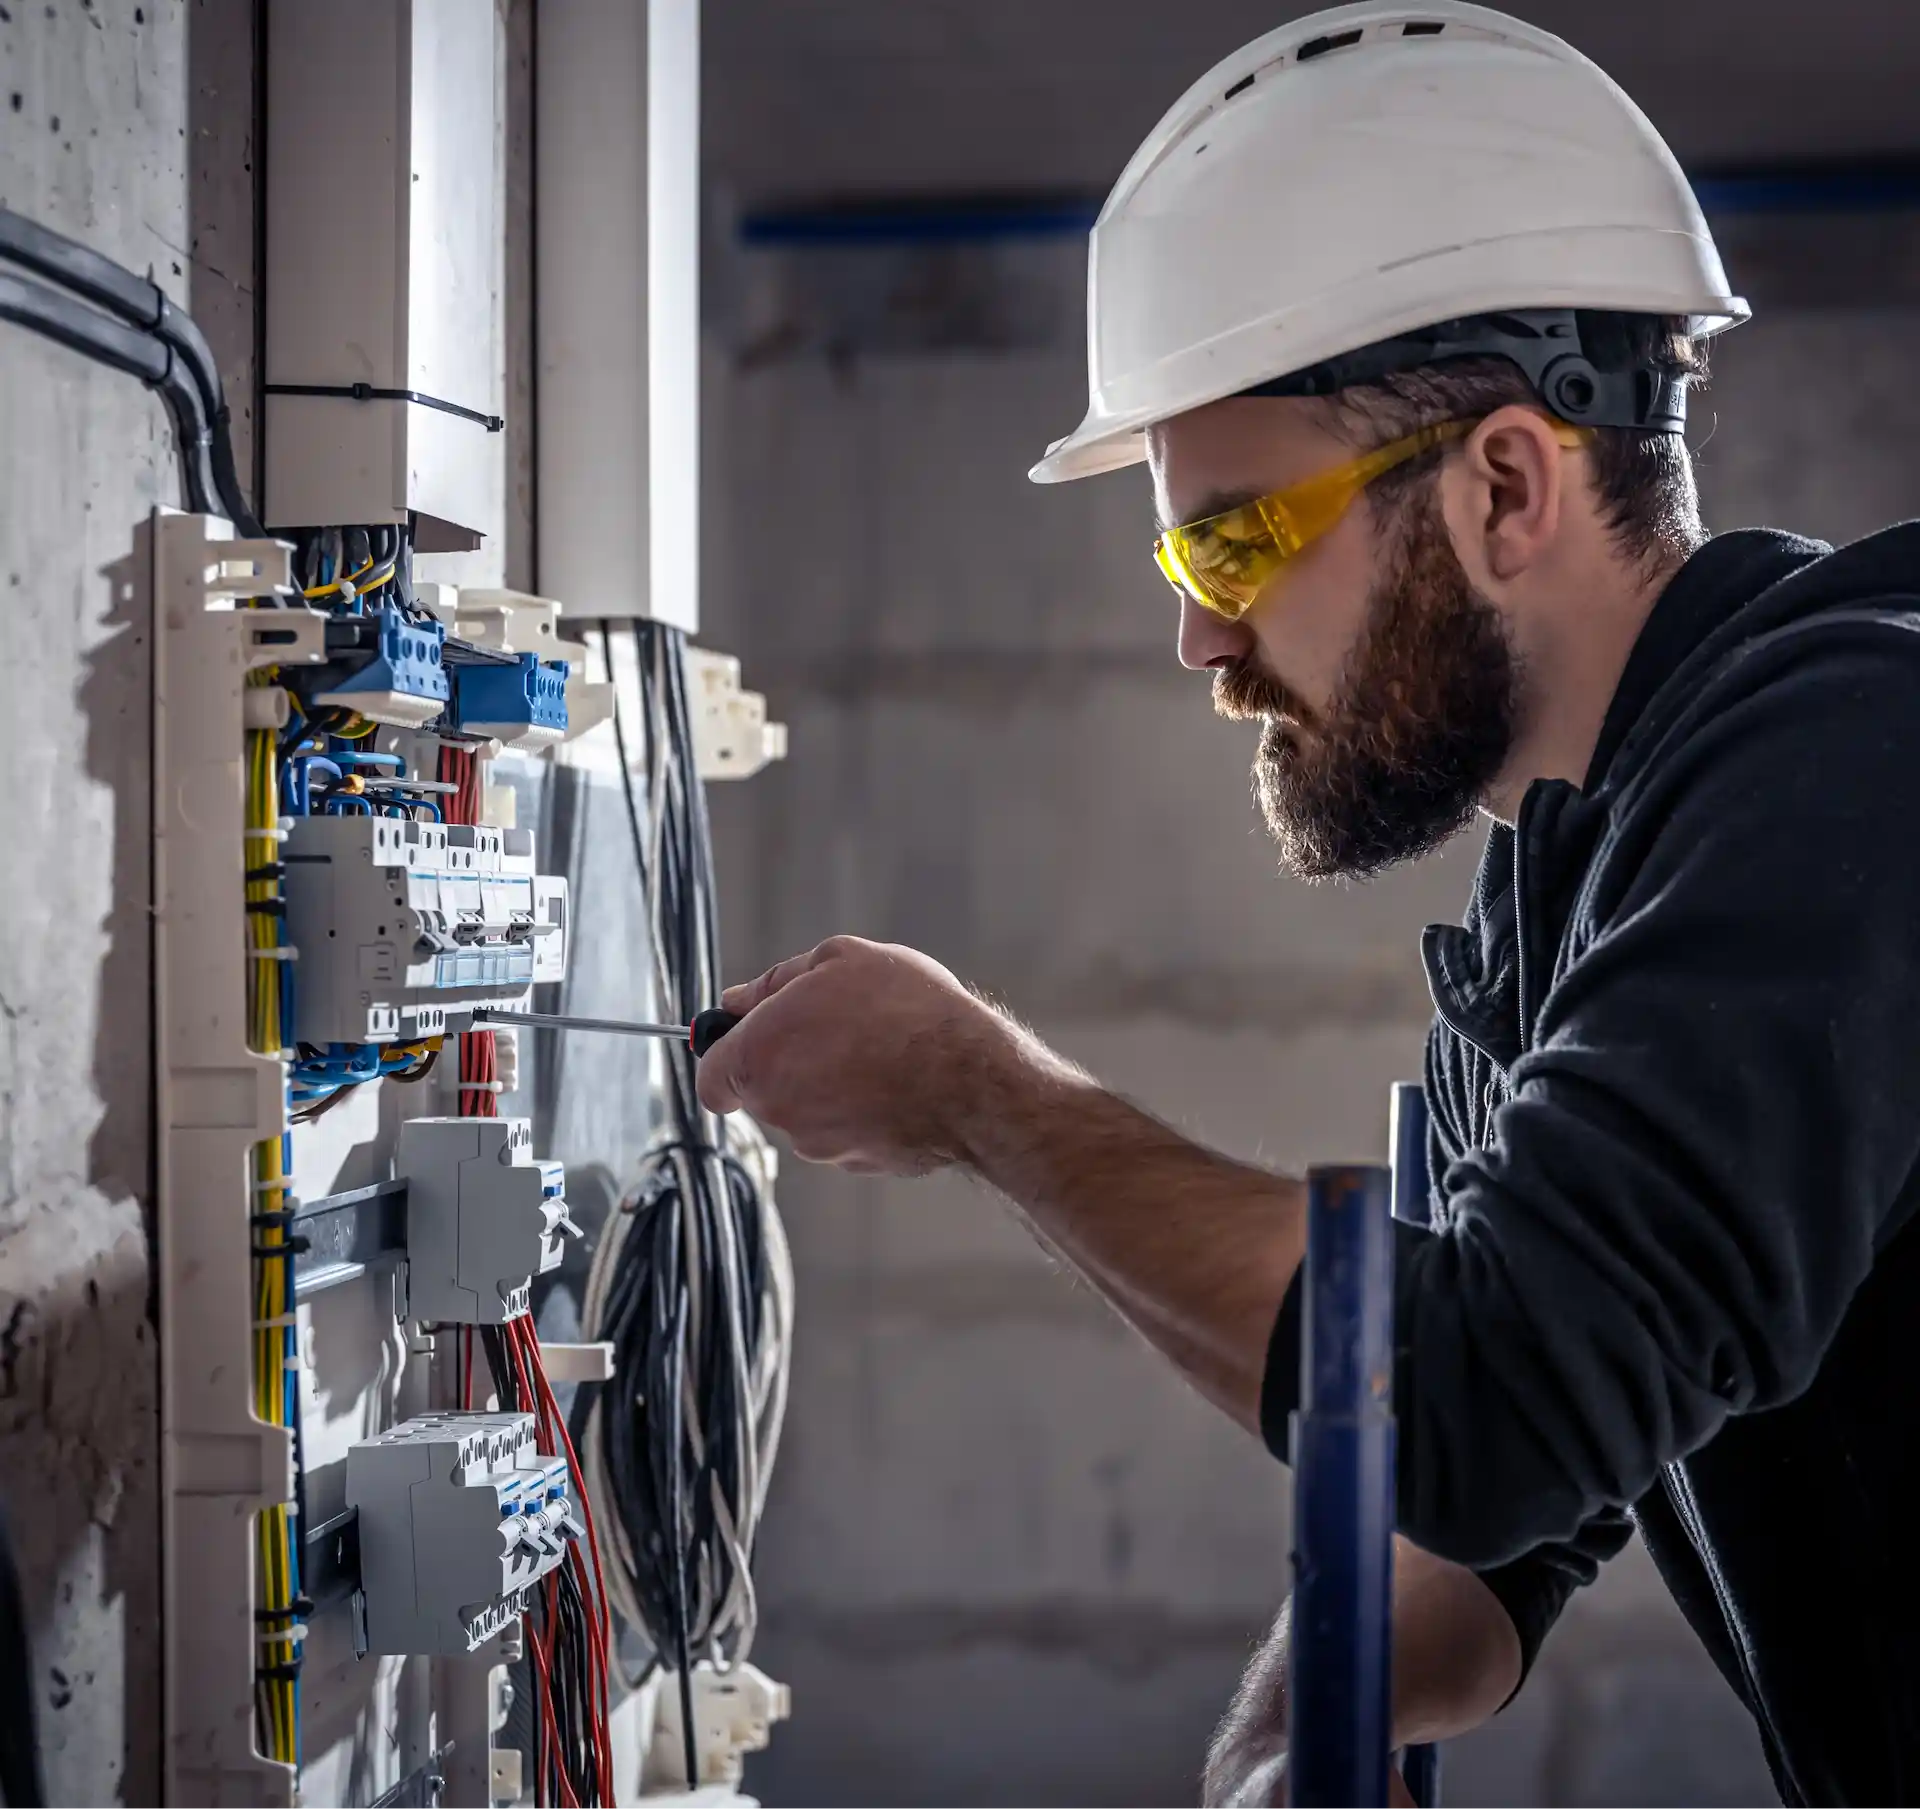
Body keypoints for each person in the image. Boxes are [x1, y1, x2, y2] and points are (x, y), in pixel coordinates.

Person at [695, 4, 1920, 1804]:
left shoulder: (1860, 758)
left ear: (1508, 484)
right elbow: (1487, 1518)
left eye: (1237, 540)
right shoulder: (1565, 908)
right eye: (1178, 555)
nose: (1199, 634)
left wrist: (983, 1097)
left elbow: (1489, 1392)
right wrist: (1286, 1740)